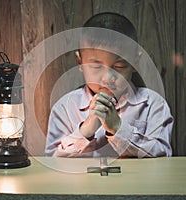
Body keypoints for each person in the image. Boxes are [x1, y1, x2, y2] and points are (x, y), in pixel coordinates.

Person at [45, 12, 173, 158]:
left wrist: (117, 128)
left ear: (135, 62)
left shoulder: (153, 105)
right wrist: (85, 131)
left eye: (119, 66)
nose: (108, 78)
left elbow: (163, 156)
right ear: (80, 62)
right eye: (96, 67)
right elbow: (52, 162)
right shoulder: (65, 108)